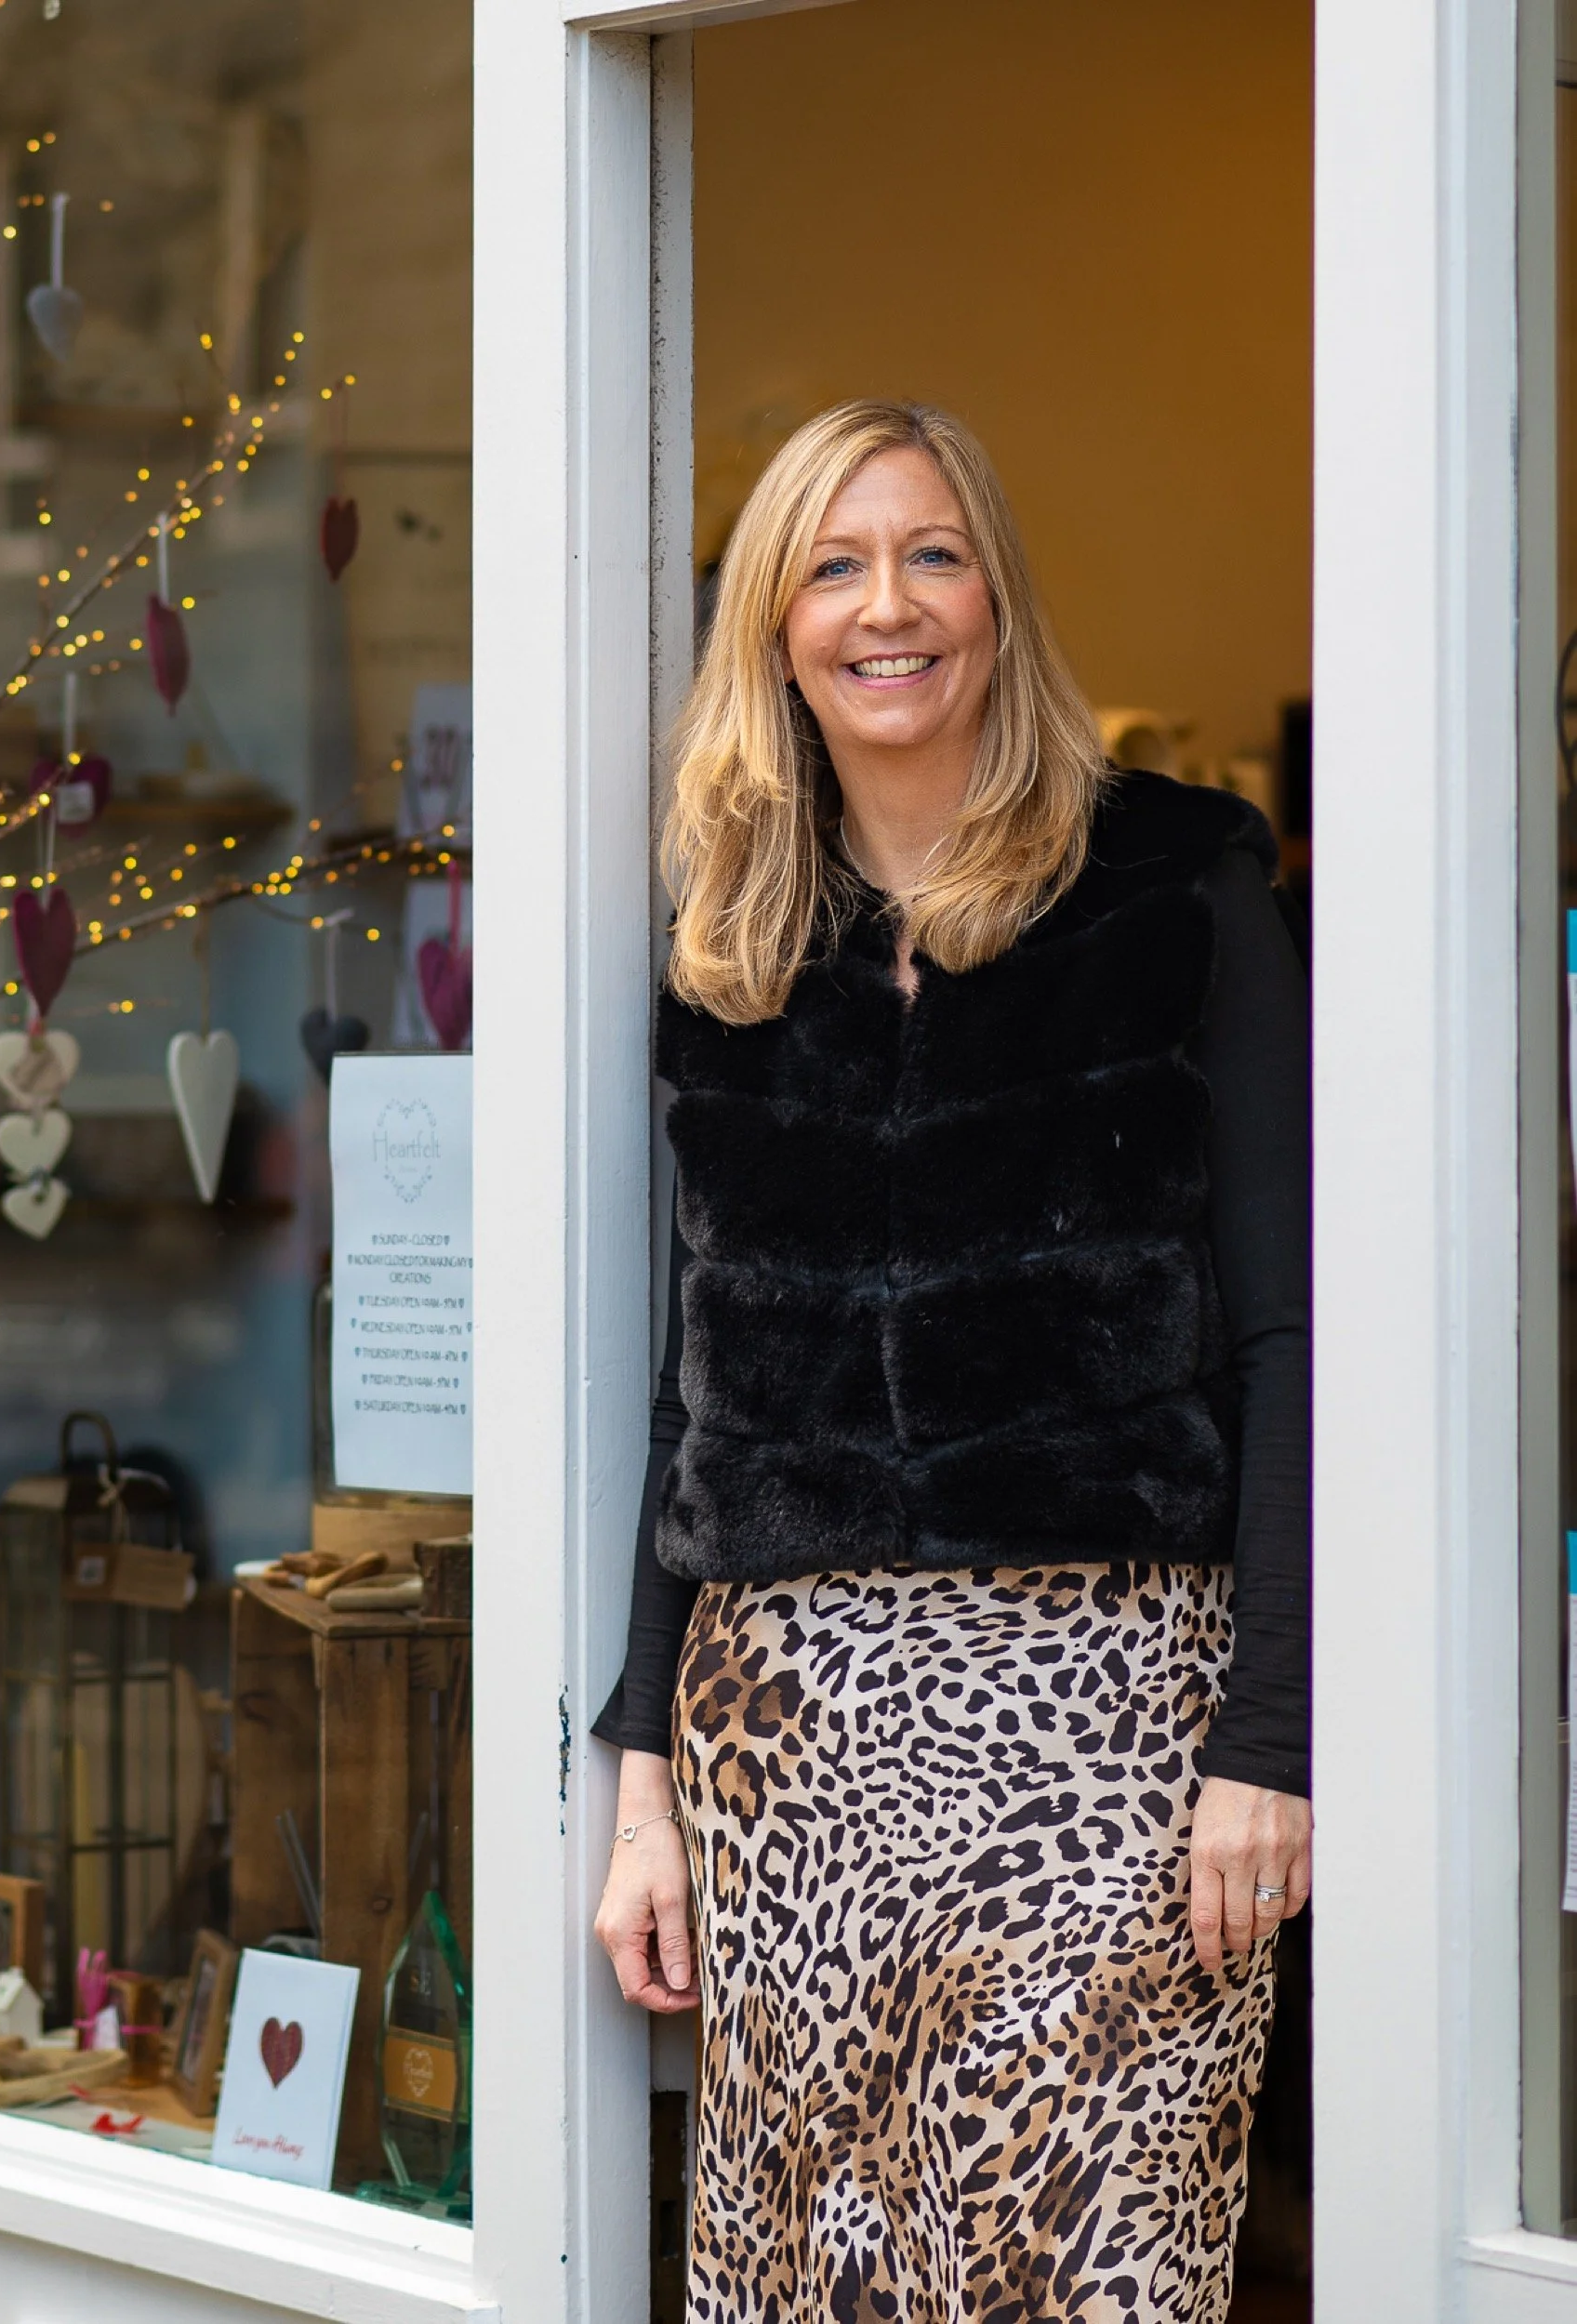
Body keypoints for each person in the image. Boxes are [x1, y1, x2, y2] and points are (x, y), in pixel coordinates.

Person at [590, 399, 1311, 2322]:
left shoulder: (1173, 888)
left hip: (1108, 1730)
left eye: (930, 554)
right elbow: (695, 1392)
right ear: (774, 626)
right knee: (811, 2283)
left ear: (997, 596)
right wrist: (642, 1789)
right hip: (788, 1746)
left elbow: (1292, 1336)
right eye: (831, 566)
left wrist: (1272, 1739)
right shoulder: (732, 942)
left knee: (1096, 2272)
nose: (884, 606)